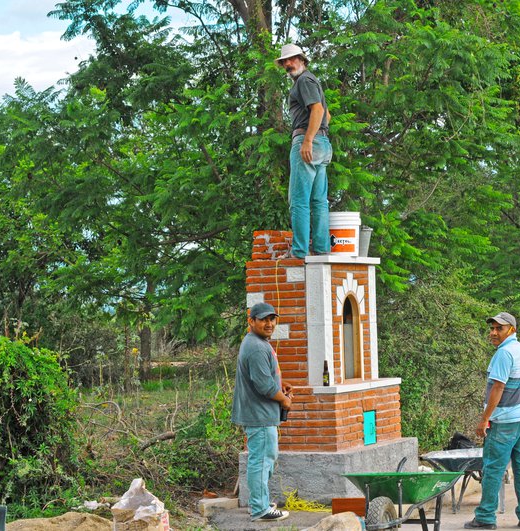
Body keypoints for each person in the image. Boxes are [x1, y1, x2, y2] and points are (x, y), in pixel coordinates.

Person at [466, 312, 520, 530]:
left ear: (512, 330)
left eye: (499, 329)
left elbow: (498, 387)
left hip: (504, 421)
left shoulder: (504, 354)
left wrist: (484, 419)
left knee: (492, 469)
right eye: (492, 328)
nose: (494, 333)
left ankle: (486, 517)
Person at [231, 302, 293, 521]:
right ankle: (260, 509)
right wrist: (284, 400)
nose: (269, 323)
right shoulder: (257, 346)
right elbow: (263, 386)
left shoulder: (256, 342)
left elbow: (265, 377)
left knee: (264, 457)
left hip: (260, 413)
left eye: (272, 319)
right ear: (251, 321)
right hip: (259, 414)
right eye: (263, 319)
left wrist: (280, 383)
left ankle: (261, 502)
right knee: (261, 461)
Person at [275, 43, 332, 259]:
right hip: (323, 144)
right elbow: (327, 116)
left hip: (308, 142)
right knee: (318, 201)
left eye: (292, 59)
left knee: (298, 199)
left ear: (302, 59)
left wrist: (307, 140)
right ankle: (321, 249)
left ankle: (298, 252)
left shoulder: (304, 80)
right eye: (284, 62)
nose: (288, 64)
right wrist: (318, 138)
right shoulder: (312, 81)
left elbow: (317, 110)